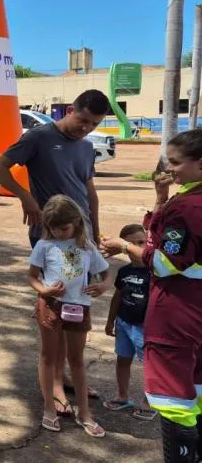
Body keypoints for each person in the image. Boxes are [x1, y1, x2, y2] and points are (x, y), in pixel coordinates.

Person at [0, 89, 111, 410]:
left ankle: (65, 374)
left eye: (94, 124)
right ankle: (55, 382)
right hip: (51, 236)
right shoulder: (39, 138)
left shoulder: (86, 148)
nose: (86, 128)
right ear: (70, 110)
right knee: (55, 306)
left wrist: (95, 232)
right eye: (83, 120)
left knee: (77, 306)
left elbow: (90, 192)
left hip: (81, 238)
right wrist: (26, 198)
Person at [101, 129, 202, 462]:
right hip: (195, 311)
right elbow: (161, 237)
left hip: (178, 312)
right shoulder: (186, 198)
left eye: (176, 162)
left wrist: (124, 246)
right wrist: (161, 199)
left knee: (175, 400)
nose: (169, 169)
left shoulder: (187, 208)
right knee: (196, 389)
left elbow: (163, 262)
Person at [29, 194, 112, 438]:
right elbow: (32, 276)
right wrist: (44, 290)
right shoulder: (44, 245)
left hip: (79, 307)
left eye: (63, 228)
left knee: (76, 359)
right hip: (51, 305)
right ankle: (49, 408)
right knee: (48, 355)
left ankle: (85, 413)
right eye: (53, 228)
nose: (59, 233)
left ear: (76, 222)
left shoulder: (87, 246)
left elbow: (106, 274)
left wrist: (103, 287)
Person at [102, 224, 157, 421]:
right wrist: (110, 321)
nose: (137, 247)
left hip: (145, 328)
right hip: (124, 323)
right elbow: (117, 296)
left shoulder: (155, 272)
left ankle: (149, 402)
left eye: (141, 242)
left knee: (150, 366)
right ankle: (122, 396)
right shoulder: (124, 271)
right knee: (123, 359)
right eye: (131, 243)